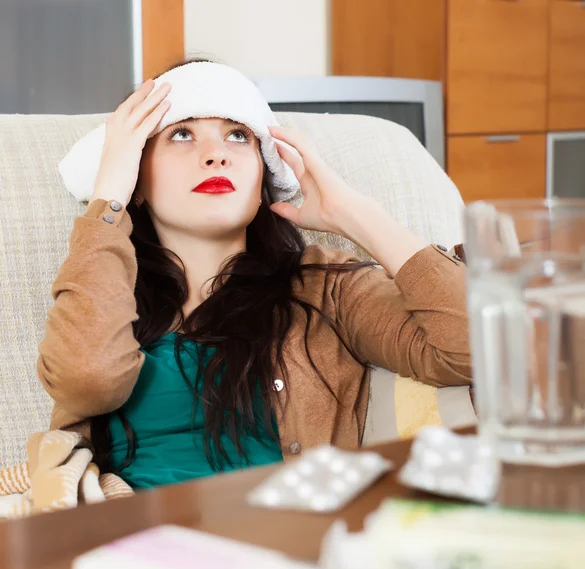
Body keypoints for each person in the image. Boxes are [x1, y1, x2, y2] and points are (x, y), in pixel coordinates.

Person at [38, 59, 472, 490]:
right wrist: (109, 198)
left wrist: (356, 215)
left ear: (264, 169)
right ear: (137, 173)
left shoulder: (324, 287)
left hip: (281, 540)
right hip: (131, 544)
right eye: (182, 134)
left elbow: (473, 351)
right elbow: (87, 381)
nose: (216, 154)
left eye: (239, 136)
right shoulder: (102, 288)